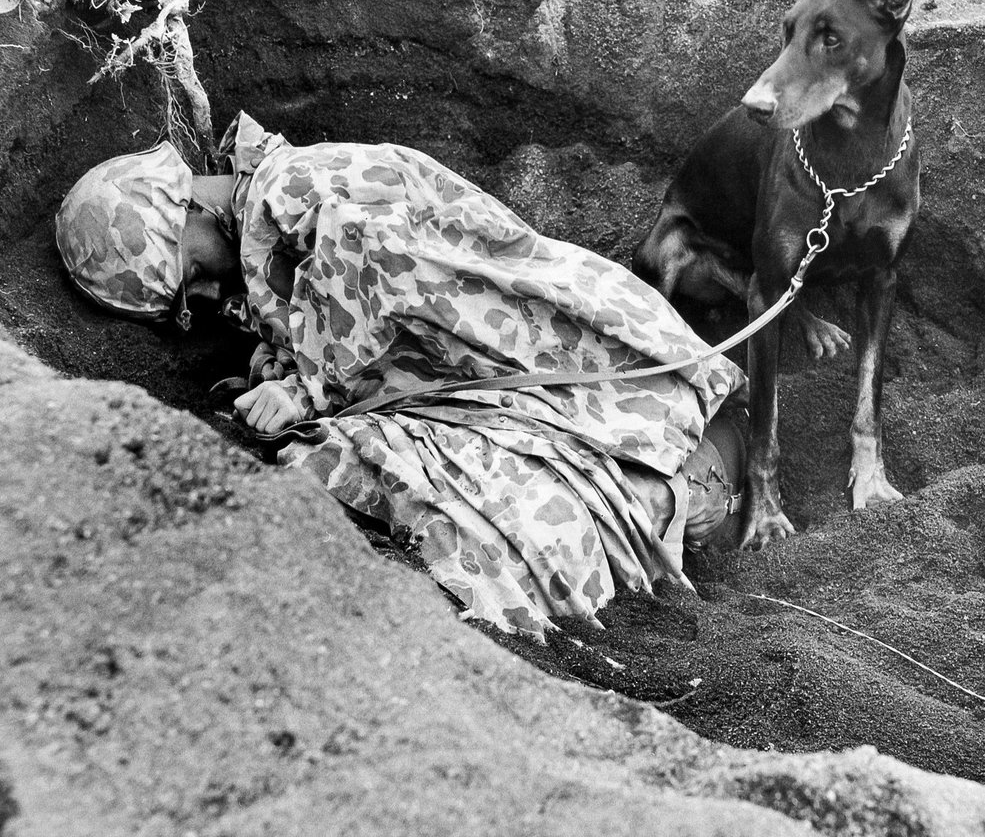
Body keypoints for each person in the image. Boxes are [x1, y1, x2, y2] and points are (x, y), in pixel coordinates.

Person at [56, 111, 747, 640]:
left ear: (185, 209)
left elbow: (370, 280)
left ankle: (667, 518)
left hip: (636, 415)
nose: (205, 301)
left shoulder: (306, 193)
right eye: (186, 306)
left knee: (373, 475)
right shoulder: (270, 218)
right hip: (579, 416)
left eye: (191, 277)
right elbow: (331, 317)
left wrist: (299, 389)